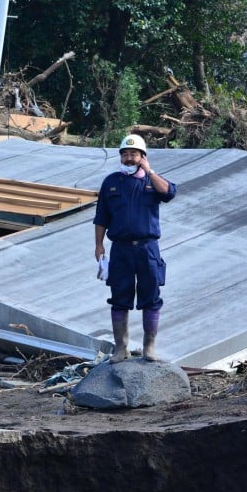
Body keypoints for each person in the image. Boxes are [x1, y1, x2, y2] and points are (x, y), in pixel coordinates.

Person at [93, 134, 177, 363]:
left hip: (148, 249)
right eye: (125, 154)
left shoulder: (152, 181)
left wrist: (149, 171)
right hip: (120, 249)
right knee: (119, 297)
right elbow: (101, 217)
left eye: (134, 154)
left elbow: (169, 193)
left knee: (151, 296)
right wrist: (99, 245)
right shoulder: (111, 182)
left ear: (142, 157)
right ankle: (121, 348)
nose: (129, 159)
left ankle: (149, 347)